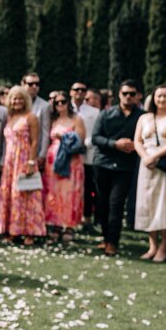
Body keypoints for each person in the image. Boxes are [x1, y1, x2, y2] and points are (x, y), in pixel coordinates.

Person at [133, 85, 166, 262]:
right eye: (159, 96)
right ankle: (152, 245)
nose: (162, 99)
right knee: (148, 203)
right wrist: (145, 158)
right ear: (153, 98)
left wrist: (154, 156)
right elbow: (137, 141)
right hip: (147, 165)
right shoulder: (144, 118)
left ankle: (164, 247)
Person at [92, 80, 144, 255]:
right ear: (119, 95)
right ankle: (106, 238)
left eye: (132, 93)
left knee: (116, 203)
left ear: (138, 96)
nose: (128, 97)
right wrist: (115, 144)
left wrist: (134, 146)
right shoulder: (106, 114)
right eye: (125, 93)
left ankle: (113, 242)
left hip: (125, 167)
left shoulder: (142, 117)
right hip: (103, 163)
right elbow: (95, 138)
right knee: (102, 203)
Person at [0, 85, 46, 245]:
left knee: (26, 196)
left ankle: (30, 233)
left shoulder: (31, 117)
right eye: (14, 98)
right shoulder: (10, 117)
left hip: (24, 159)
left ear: (25, 100)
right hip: (10, 162)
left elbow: (35, 141)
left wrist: (32, 162)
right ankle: (12, 230)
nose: (17, 101)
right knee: (9, 195)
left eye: (20, 98)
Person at [43, 91, 86, 241]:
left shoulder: (76, 119)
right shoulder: (52, 121)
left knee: (69, 194)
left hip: (71, 162)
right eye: (57, 103)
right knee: (54, 194)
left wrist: (65, 138)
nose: (60, 105)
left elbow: (80, 141)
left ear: (68, 103)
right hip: (53, 163)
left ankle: (69, 226)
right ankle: (55, 224)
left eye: (63, 102)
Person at [71, 82, 101, 231]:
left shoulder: (94, 112)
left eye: (83, 90)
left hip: (87, 155)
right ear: (71, 92)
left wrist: (84, 144)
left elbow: (96, 132)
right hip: (67, 156)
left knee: (88, 187)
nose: (80, 92)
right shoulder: (63, 107)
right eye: (77, 89)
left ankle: (87, 218)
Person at [22, 72, 50, 170]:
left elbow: (45, 131)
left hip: (35, 153)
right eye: (30, 84)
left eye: (37, 84)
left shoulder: (44, 106)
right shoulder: (16, 102)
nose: (34, 86)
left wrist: (42, 154)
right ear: (23, 84)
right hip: (18, 151)